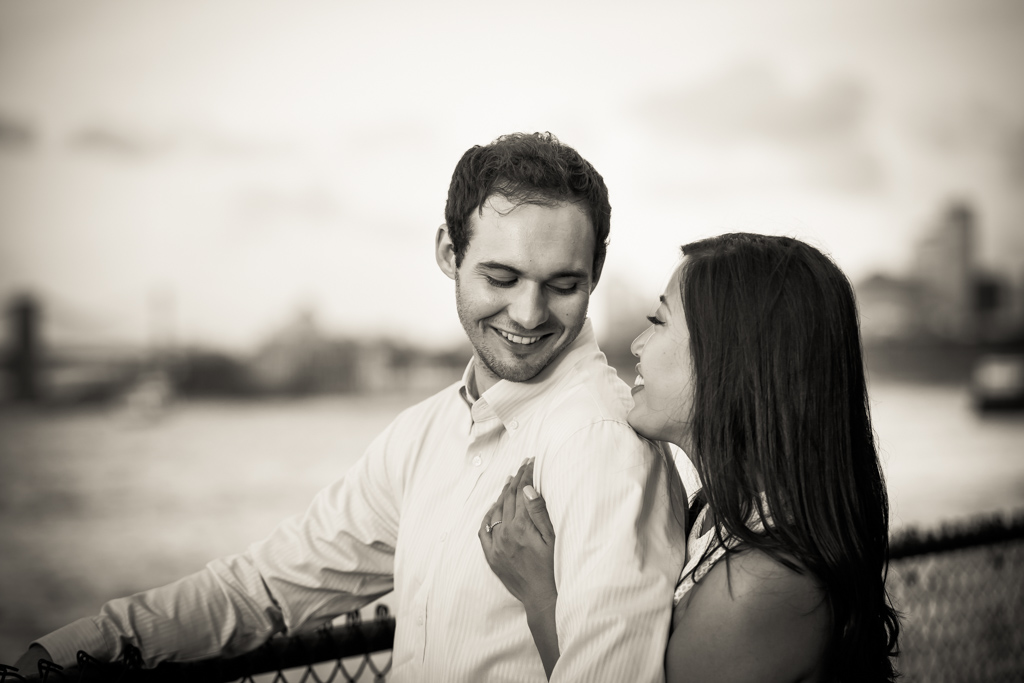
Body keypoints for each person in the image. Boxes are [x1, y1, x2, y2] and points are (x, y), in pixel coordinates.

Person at [14, 132, 686, 682]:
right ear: (449, 254)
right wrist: (87, 644)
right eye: (501, 277)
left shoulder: (599, 444)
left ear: (594, 273)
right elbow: (265, 587)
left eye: (563, 285)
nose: (529, 312)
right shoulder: (427, 432)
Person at [481, 233, 901, 681]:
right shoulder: (716, 513)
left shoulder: (761, 588)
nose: (638, 345)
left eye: (658, 321)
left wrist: (542, 597)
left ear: (729, 357)